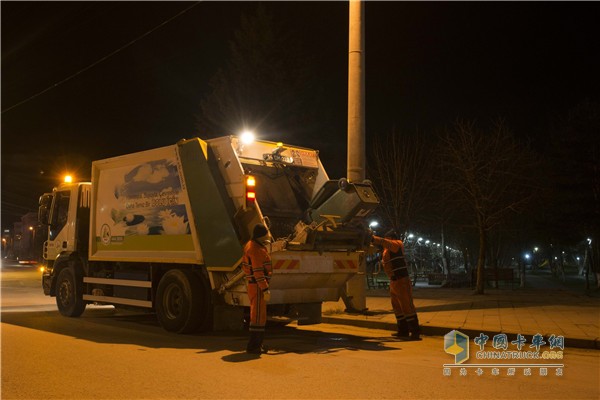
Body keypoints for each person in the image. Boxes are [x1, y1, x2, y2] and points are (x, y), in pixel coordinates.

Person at [372, 230, 421, 341]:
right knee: (397, 306)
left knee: (407, 306)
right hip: (394, 280)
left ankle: (415, 332)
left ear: (392, 238)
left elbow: (385, 242)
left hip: (401, 280)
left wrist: (373, 238)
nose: (387, 240)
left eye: (388, 238)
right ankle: (403, 331)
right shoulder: (388, 249)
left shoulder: (397, 244)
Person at [242, 223, 273, 354]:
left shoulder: (252, 245)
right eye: (265, 234)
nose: (267, 236)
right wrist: (265, 289)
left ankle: (256, 345)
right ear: (261, 235)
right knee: (258, 317)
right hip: (258, 286)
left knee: (257, 316)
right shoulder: (256, 250)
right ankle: (254, 346)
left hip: (254, 285)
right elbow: (258, 272)